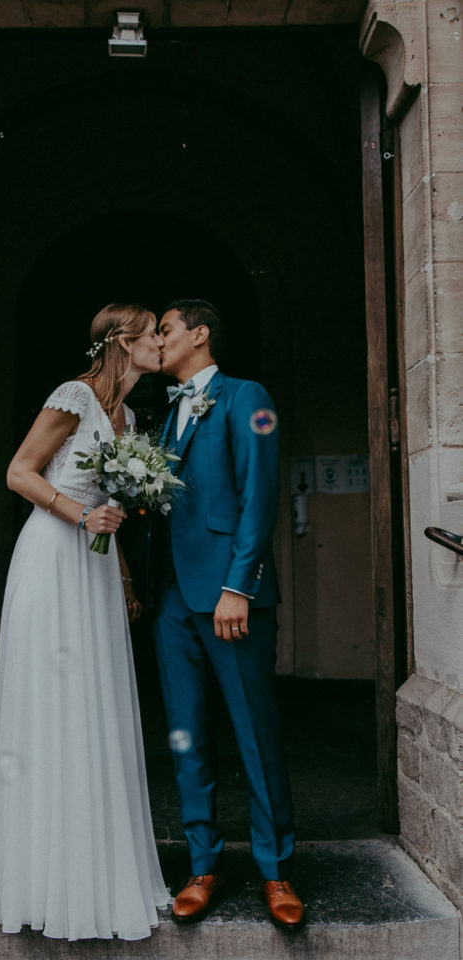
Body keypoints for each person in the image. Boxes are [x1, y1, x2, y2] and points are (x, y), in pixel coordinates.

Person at [0, 303, 169, 940]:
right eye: (153, 335)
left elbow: (112, 505)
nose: (162, 343)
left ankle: (96, 866)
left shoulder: (129, 416)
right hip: (54, 560)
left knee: (96, 706)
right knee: (55, 706)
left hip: (96, 571)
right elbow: (18, 473)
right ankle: (41, 872)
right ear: (123, 342)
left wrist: (126, 579)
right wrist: (79, 518)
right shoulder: (75, 397)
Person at [154, 299, 304, 928]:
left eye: (164, 330)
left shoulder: (247, 396)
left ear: (200, 333)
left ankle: (275, 871)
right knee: (186, 736)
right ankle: (203, 863)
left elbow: (258, 494)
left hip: (230, 600)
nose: (157, 341)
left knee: (254, 734)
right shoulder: (165, 415)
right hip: (172, 602)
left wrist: (238, 586)